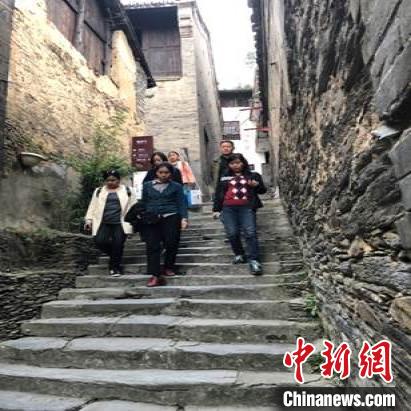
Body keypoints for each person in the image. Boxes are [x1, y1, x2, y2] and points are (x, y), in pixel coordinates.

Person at [212, 153, 267, 275]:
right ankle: (239, 254)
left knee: (250, 232)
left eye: (238, 162)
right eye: (232, 163)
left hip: (247, 207)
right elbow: (219, 194)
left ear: (243, 163)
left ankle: (254, 260)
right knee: (232, 233)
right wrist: (216, 209)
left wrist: (256, 185)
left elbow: (263, 190)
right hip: (228, 208)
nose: (235, 165)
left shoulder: (253, 175)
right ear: (229, 165)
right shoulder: (224, 177)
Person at [141, 162, 189, 287]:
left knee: (171, 242)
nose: (163, 175)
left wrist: (184, 218)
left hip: (171, 216)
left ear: (171, 173)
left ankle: (169, 266)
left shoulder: (176, 186)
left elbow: (181, 203)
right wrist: (143, 217)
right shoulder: (147, 186)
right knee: (152, 246)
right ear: (156, 173)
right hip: (152, 218)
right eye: (160, 172)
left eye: (166, 172)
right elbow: (144, 202)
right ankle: (155, 275)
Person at [84, 169, 136, 277]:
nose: (110, 182)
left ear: (119, 180)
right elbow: (93, 206)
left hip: (121, 222)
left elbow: (133, 206)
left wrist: (134, 221)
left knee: (118, 243)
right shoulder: (99, 191)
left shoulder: (128, 190)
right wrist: (88, 220)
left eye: (113, 180)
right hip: (103, 222)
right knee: (99, 241)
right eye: (108, 180)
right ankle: (115, 255)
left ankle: (115, 268)